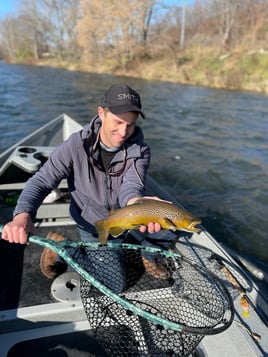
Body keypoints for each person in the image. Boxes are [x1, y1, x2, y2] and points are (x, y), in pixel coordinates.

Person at [2, 84, 171, 288]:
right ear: (101, 113)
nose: (123, 132)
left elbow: (132, 186)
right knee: (114, 285)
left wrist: (137, 203)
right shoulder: (75, 145)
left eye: (131, 124)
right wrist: (22, 215)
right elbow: (42, 181)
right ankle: (62, 248)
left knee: (169, 228)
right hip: (89, 224)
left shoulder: (140, 151)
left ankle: (87, 251)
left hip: (121, 222)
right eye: (118, 122)